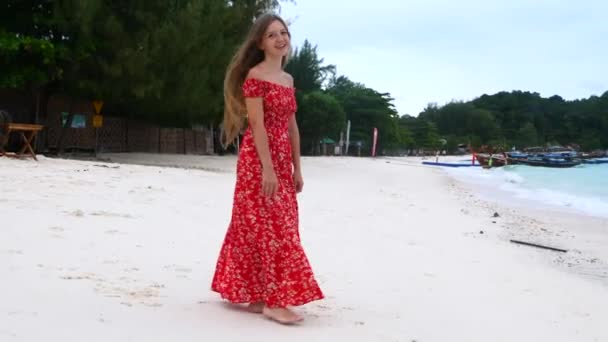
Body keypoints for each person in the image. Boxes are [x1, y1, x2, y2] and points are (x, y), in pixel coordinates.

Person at [211, 13, 324, 325]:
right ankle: (274, 302)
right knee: (271, 227)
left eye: (284, 33)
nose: (280, 38)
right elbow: (258, 126)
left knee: (273, 225)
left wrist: (297, 168)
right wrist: (269, 170)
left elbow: (292, 127)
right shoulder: (255, 76)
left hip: (281, 160)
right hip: (257, 161)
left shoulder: (288, 80)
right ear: (260, 42)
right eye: (272, 34)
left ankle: (260, 295)